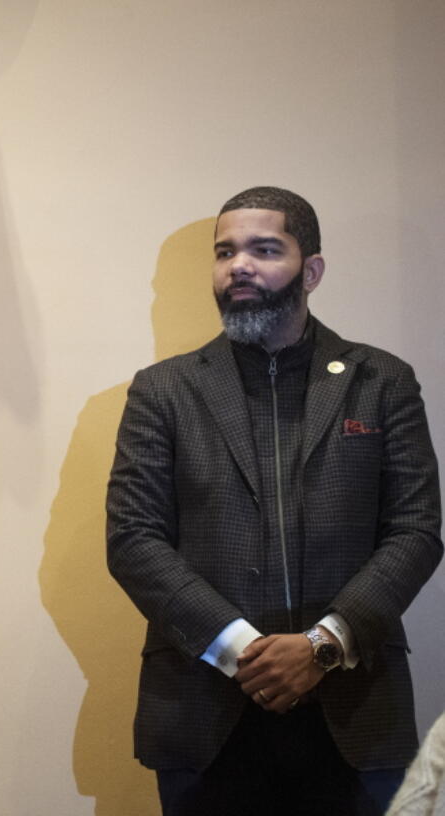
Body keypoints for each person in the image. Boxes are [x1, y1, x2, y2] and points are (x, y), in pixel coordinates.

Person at [106, 186, 442, 815]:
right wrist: (243, 652)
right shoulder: (163, 391)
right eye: (225, 251)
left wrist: (321, 645)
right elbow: (134, 539)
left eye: (265, 249)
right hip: (204, 712)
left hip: (355, 709)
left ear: (311, 270)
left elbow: (416, 530)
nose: (240, 265)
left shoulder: (382, 380)